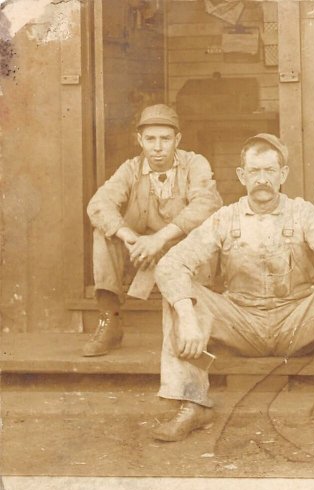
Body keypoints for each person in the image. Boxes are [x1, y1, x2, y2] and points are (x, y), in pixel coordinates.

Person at [151, 133, 314, 442]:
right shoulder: (224, 218)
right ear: (242, 175)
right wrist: (187, 315)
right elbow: (172, 264)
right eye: (255, 172)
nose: (262, 179)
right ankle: (191, 403)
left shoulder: (303, 213)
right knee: (181, 293)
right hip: (242, 322)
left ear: (283, 174)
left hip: (296, 322)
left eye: (270, 171)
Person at [84, 104, 222, 357]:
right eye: (150, 139)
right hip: (142, 250)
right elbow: (98, 204)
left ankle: (199, 320)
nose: (157, 147)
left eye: (165, 139)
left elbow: (207, 204)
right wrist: (130, 237)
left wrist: (160, 238)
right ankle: (110, 321)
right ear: (140, 140)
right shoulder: (130, 169)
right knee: (104, 235)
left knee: (205, 234)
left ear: (177, 139)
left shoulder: (194, 163)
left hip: (182, 247)